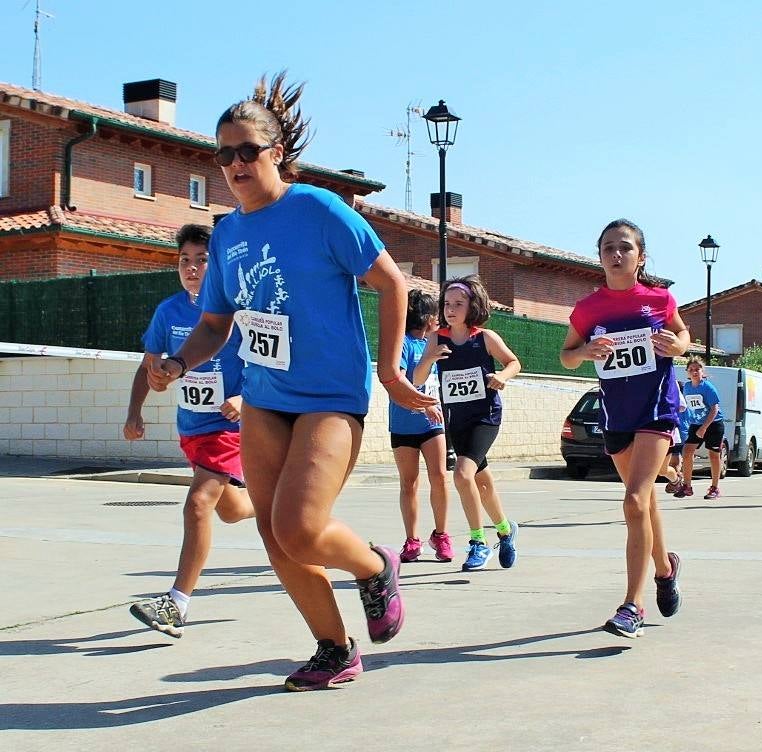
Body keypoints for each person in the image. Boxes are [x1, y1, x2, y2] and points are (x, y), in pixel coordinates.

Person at [147, 73, 434, 691]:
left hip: (331, 397)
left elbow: (392, 283)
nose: (234, 164)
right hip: (265, 397)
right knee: (275, 534)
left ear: (275, 153)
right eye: (224, 154)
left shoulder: (319, 209)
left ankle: (374, 564)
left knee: (302, 525)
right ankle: (335, 648)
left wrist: (388, 370)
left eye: (247, 150)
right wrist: (178, 364)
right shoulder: (227, 235)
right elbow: (216, 323)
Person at [124, 223, 254, 638]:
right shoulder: (169, 311)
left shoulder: (236, 310)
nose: (192, 267)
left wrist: (245, 399)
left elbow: (268, 359)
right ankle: (272, 504)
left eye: (201, 259)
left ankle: (176, 603)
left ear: (216, 264)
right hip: (191, 426)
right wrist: (135, 411)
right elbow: (151, 364)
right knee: (231, 510)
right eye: (184, 260)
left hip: (228, 426)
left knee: (198, 503)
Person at [560, 218, 688, 638]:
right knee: (645, 502)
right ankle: (666, 569)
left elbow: (683, 335)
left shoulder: (659, 299)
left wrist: (678, 345)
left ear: (640, 257)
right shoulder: (587, 308)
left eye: (625, 248)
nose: (617, 254)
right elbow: (566, 356)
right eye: (609, 248)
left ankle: (633, 606)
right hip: (616, 414)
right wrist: (585, 351)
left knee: (634, 500)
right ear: (600, 257)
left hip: (656, 408)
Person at [415, 275, 521, 572]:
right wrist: (429, 359)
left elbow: (513, 362)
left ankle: (478, 542)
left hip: (485, 417)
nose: (451, 309)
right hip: (456, 419)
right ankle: (504, 530)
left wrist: (502, 377)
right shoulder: (437, 338)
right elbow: (418, 380)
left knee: (463, 475)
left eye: (458, 304)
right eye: (447, 304)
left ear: (472, 306)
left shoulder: (484, 338)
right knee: (482, 483)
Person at [390, 289, 453, 563]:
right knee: (409, 483)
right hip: (404, 424)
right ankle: (412, 540)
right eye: (436, 314)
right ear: (427, 317)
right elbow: (399, 379)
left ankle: (441, 535)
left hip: (432, 425)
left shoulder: (436, 342)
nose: (439, 319)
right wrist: (422, 403)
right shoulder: (403, 344)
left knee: (439, 476)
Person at [680, 357, 726, 499]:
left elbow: (714, 409)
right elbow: (688, 407)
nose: (694, 372)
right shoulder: (687, 387)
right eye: (691, 370)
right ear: (687, 372)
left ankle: (715, 488)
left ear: (702, 371)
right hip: (696, 424)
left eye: (697, 369)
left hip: (713, 423)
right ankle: (687, 486)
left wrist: (704, 427)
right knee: (687, 452)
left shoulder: (707, 387)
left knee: (713, 454)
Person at [663, 386, 688, 494]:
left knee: (673, 465)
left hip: (675, 435)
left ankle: (677, 484)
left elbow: (683, 408)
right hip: (676, 434)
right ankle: (676, 483)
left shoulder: (679, 404)